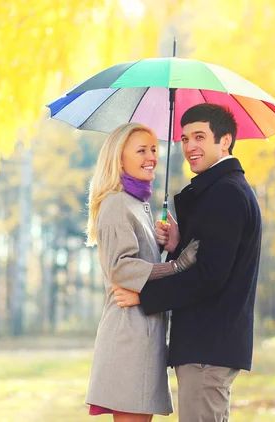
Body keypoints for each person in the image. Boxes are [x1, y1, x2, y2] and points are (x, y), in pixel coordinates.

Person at [113, 104, 263, 422]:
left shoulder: (227, 194)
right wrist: (179, 243)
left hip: (208, 343)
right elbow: (212, 259)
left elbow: (210, 276)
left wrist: (145, 297)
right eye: (184, 138)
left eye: (199, 136)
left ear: (225, 141)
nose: (190, 146)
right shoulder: (221, 191)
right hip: (206, 343)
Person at [84, 122, 199, 422]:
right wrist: (175, 266)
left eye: (154, 149)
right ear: (119, 159)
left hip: (144, 332)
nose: (151, 156)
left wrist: (162, 245)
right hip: (127, 335)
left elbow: (141, 264)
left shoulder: (138, 204)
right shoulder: (115, 204)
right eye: (141, 150)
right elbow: (121, 268)